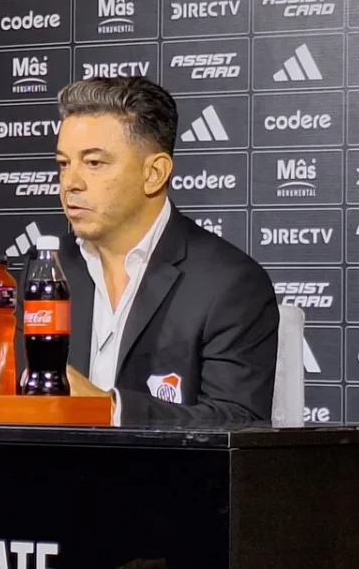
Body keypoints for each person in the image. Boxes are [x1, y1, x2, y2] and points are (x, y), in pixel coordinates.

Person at [17, 76, 279, 427]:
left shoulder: (230, 283)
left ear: (154, 173)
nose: (71, 183)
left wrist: (110, 410)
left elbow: (237, 422)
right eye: (64, 163)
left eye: (94, 163)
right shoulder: (49, 269)